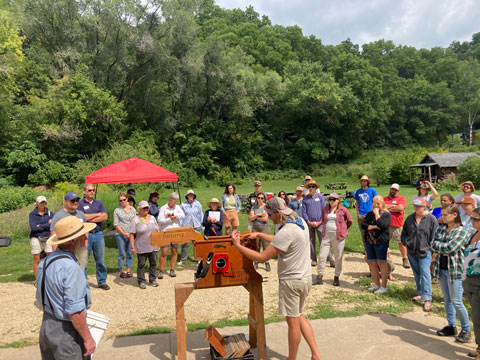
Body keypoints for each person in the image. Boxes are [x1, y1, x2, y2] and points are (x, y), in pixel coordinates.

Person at [231, 197, 321, 360]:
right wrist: (259, 234)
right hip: (305, 278)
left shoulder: (286, 231)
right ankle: (316, 355)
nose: (269, 217)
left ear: (278, 213)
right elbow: (280, 241)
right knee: (300, 316)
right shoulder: (299, 222)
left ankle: (291, 358)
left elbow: (262, 257)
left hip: (291, 282)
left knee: (293, 323)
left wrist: (238, 246)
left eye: (270, 214)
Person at [36, 216, 96, 359]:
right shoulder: (71, 268)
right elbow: (75, 312)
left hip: (47, 326)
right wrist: (88, 338)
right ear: (74, 241)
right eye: (82, 236)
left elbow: (39, 298)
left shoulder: (45, 262)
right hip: (66, 332)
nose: (85, 240)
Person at [431, 204, 471, 343]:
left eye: (445, 215)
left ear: (454, 215)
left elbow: (450, 247)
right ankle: (451, 325)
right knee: (447, 300)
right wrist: (441, 246)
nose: (442, 218)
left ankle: (466, 329)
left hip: (455, 271)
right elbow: (432, 244)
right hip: (441, 269)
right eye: (442, 215)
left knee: (457, 301)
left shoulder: (462, 231)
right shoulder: (441, 229)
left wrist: (440, 246)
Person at [400, 198, 438, 311]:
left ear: (424, 206)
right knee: (417, 273)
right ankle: (420, 293)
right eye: (415, 206)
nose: (416, 208)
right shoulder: (410, 218)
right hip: (412, 251)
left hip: (425, 251)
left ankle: (427, 298)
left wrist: (431, 249)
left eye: (419, 206)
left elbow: (435, 235)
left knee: (425, 274)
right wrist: (406, 243)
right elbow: (404, 233)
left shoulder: (431, 219)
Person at [314, 193, 353, 287]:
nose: (331, 201)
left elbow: (350, 221)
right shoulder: (325, 209)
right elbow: (324, 220)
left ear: (338, 200)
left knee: (338, 256)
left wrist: (343, 230)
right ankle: (319, 275)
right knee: (322, 256)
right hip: (326, 235)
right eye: (330, 199)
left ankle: (336, 276)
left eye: (333, 199)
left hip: (338, 236)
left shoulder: (343, 209)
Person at [79, 184, 109, 290]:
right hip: (85, 235)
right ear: (84, 192)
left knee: (100, 259)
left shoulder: (99, 203)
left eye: (93, 190)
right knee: (84, 259)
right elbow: (82, 217)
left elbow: (105, 216)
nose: (92, 192)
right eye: (89, 190)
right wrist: (97, 215)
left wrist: (88, 218)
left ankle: (101, 281)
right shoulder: (80, 204)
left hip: (98, 234)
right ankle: (83, 282)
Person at [361, 195, 392, 294]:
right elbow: (363, 225)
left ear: (382, 203)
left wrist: (377, 215)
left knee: (381, 263)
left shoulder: (386, 215)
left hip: (381, 242)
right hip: (369, 241)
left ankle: (384, 286)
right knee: (372, 263)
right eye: (374, 203)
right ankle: (376, 284)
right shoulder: (370, 214)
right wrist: (372, 226)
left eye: (378, 203)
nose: (376, 205)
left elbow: (382, 225)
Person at [302, 180, 334, 267]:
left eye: (313, 186)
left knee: (324, 241)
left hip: (320, 223)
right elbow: (304, 212)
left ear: (316, 188)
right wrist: (308, 221)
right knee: (311, 242)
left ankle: (330, 259)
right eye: (310, 187)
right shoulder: (305, 199)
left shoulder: (320, 197)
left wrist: (320, 221)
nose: (311, 188)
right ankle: (314, 259)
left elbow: (324, 210)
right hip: (309, 223)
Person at [129, 201, 159, 288]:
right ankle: (141, 281)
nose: (146, 209)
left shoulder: (152, 218)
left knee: (153, 263)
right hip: (141, 245)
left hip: (153, 245)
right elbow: (132, 234)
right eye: (144, 208)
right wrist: (132, 247)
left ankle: (152, 279)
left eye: (147, 208)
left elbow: (157, 230)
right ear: (140, 209)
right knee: (141, 264)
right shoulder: (135, 219)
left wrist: (159, 242)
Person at [463, 208, 480, 359]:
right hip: (468, 281)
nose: (472, 221)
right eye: (471, 218)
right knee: (476, 317)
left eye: (475, 219)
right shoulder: (474, 233)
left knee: (478, 316)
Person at [158, 192, 184, 279]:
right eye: (173, 202)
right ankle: (161, 270)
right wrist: (169, 219)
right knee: (164, 252)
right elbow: (160, 220)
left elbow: (183, 215)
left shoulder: (177, 207)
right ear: (169, 200)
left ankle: (172, 269)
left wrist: (174, 215)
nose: (175, 204)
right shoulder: (163, 208)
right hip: (165, 232)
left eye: (176, 202)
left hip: (176, 231)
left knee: (174, 251)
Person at [384, 184, 408, 268]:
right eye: (392, 189)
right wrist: (394, 207)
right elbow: (381, 207)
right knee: (384, 242)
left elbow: (401, 208)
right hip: (385, 224)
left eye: (395, 190)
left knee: (401, 242)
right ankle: (386, 259)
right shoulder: (384, 199)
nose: (393, 191)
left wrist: (387, 208)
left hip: (397, 224)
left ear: (398, 191)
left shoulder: (401, 199)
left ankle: (405, 258)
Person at [29, 196, 54, 279]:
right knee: (36, 258)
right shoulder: (32, 214)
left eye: (44, 202)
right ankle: (37, 279)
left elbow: (52, 225)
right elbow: (34, 228)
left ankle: (48, 278)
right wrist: (47, 224)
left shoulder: (50, 213)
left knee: (49, 257)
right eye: (40, 202)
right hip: (36, 237)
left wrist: (40, 225)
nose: (42, 204)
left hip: (48, 236)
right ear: (37, 203)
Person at [114, 192, 135, 279]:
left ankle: (128, 269)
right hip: (120, 234)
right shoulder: (117, 210)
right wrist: (123, 233)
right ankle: (122, 270)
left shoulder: (132, 209)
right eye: (120, 200)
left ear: (127, 199)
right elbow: (116, 224)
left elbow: (134, 222)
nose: (122, 201)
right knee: (122, 253)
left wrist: (131, 233)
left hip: (131, 234)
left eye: (124, 199)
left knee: (130, 252)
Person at [249, 192, 271, 272]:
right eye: (259, 198)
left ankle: (267, 262)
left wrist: (255, 217)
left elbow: (265, 219)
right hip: (255, 228)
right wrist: (258, 214)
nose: (260, 199)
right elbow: (250, 218)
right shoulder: (253, 207)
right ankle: (256, 261)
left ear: (264, 199)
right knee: (257, 245)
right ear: (256, 199)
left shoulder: (266, 207)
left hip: (265, 228)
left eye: (262, 198)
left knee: (265, 245)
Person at [180, 189, 203, 265]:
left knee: (197, 243)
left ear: (194, 196)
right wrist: (181, 226)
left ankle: (199, 259)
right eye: (189, 195)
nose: (191, 196)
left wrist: (202, 225)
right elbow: (180, 216)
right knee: (185, 244)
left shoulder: (198, 204)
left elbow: (201, 214)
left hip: (196, 225)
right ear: (187, 196)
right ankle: (183, 260)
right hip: (186, 226)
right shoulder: (183, 205)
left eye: (192, 195)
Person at [354, 175, 378, 244]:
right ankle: (366, 248)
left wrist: (375, 211)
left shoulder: (372, 191)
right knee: (363, 232)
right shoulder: (358, 191)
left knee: (371, 231)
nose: (363, 182)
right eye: (362, 181)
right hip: (361, 213)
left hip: (370, 213)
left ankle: (373, 246)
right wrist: (357, 212)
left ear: (367, 182)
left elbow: (376, 201)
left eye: (365, 181)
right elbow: (357, 203)